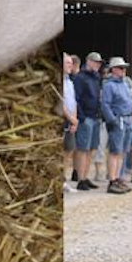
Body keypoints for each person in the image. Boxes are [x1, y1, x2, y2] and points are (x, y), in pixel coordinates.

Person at [99, 57, 132, 194]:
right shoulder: (109, 85)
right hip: (118, 119)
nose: (123, 70)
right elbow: (105, 104)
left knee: (122, 151)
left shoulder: (124, 84)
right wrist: (112, 120)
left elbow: (129, 102)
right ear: (113, 69)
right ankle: (112, 180)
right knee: (115, 151)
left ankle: (118, 178)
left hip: (127, 119)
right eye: (120, 68)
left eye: (124, 68)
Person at [72, 52, 104, 191]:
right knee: (82, 148)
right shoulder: (80, 78)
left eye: (99, 62)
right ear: (88, 61)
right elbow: (76, 98)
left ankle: (85, 176)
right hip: (86, 117)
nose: (97, 64)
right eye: (95, 62)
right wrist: (82, 117)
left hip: (95, 116)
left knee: (92, 148)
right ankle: (80, 178)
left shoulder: (97, 77)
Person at [60, 53, 80, 193]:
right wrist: (70, 118)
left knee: (68, 151)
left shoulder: (70, 82)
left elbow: (73, 102)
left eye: (71, 63)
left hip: (71, 120)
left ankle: (64, 181)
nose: (70, 65)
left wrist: (75, 120)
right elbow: (61, 102)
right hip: (63, 119)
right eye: (67, 63)